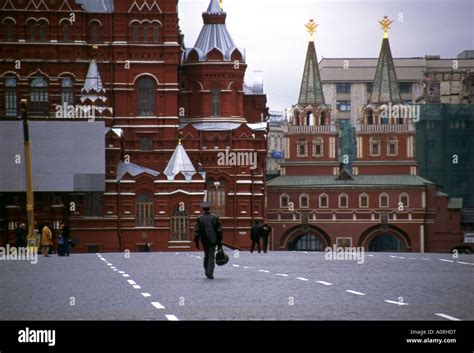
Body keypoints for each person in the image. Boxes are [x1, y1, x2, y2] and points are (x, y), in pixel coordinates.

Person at [194, 201, 223, 280]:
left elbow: (197, 231)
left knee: (206, 255)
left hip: (204, 240)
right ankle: (209, 273)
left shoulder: (199, 218)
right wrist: (220, 241)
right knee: (211, 256)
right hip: (213, 240)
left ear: (203, 209)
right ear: (209, 208)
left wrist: (196, 241)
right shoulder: (215, 217)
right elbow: (219, 230)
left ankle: (206, 270)